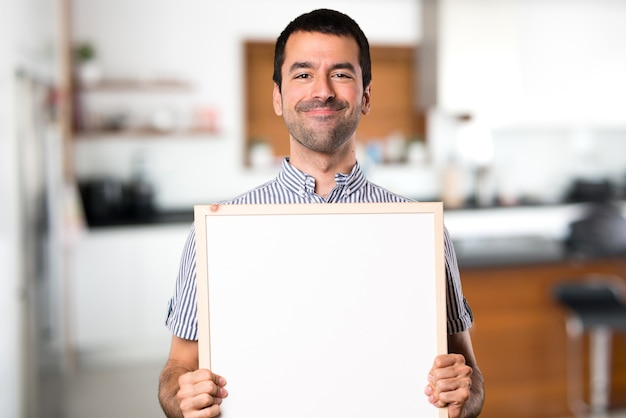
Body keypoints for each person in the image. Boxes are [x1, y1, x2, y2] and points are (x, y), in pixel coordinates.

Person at [158, 8, 484, 418]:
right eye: (302, 74)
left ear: (365, 96)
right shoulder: (219, 232)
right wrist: (184, 398)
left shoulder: (420, 230)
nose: (323, 90)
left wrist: (463, 394)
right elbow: (177, 370)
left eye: (342, 74)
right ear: (278, 97)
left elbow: (469, 379)